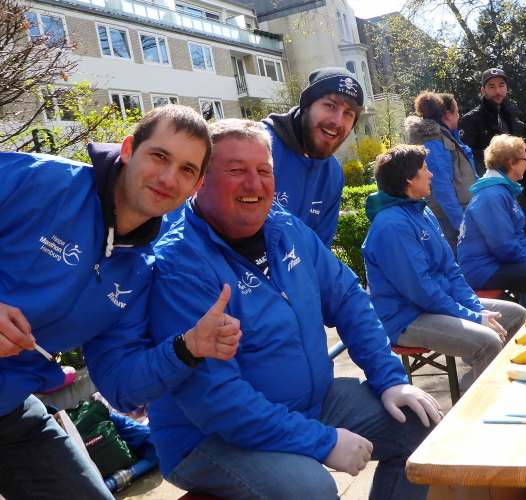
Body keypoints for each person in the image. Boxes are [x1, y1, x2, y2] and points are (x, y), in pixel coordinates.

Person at [146, 119, 442, 500]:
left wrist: (390, 379)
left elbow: (348, 298)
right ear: (200, 180)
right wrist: (323, 441)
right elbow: (217, 400)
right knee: (312, 489)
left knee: (421, 424)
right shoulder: (179, 265)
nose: (254, 184)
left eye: (264, 171)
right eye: (236, 170)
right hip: (208, 435)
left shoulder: (286, 229)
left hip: (311, 403)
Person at [0, 105, 242, 500]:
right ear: (129, 149)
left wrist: (187, 348)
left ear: (197, 185)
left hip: (9, 408)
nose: (168, 178)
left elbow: (118, 383)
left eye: (186, 169)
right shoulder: (40, 181)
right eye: (159, 156)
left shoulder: (141, 270)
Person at [361, 145, 526, 381]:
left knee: (516, 314)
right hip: (407, 318)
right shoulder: (392, 225)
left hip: (435, 304)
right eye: (425, 169)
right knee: (487, 341)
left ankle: (501, 380)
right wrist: (473, 318)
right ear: (409, 180)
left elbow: (451, 270)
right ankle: (484, 400)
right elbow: (421, 289)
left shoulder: (422, 212)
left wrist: (476, 309)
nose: (431, 174)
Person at [262, 67, 364, 248]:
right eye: (330, 105)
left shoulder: (333, 174)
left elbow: (319, 251)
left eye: (348, 114)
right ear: (306, 106)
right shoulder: (257, 147)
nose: (337, 121)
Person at [458, 135, 526, 302]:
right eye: (525, 159)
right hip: (482, 269)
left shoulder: (503, 190)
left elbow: (518, 235)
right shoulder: (492, 195)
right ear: (511, 163)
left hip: (497, 261)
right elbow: (504, 246)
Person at [458, 68, 526, 234]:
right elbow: (467, 159)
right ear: (483, 91)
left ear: (506, 88)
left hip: (515, 186)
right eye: (492, 86)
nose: (497, 91)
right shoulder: (471, 120)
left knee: (521, 229)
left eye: (501, 85)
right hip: (491, 189)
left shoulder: (512, 117)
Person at [403, 91, 477, 253]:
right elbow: (442, 188)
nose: (459, 115)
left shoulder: (447, 136)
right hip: (448, 219)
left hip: (455, 215)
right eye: (457, 111)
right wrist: (462, 224)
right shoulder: (434, 142)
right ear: (448, 114)